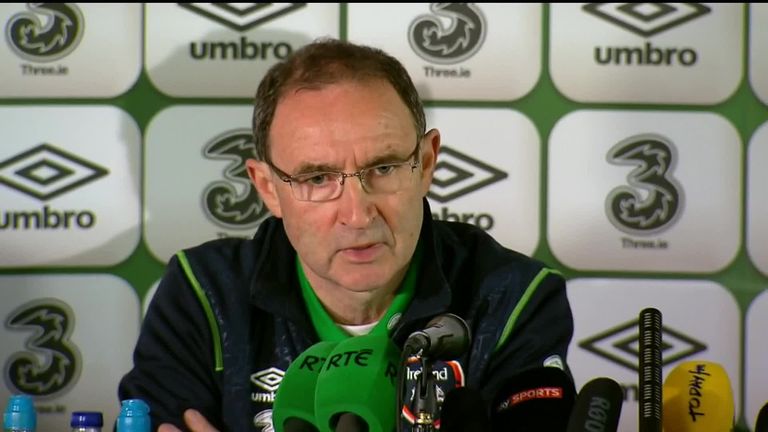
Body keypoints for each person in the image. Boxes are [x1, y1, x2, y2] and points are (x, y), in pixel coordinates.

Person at [118, 38, 574, 431]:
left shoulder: (513, 299)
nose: (357, 215)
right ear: (268, 189)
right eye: (317, 178)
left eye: (384, 167)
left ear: (426, 164)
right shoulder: (204, 294)